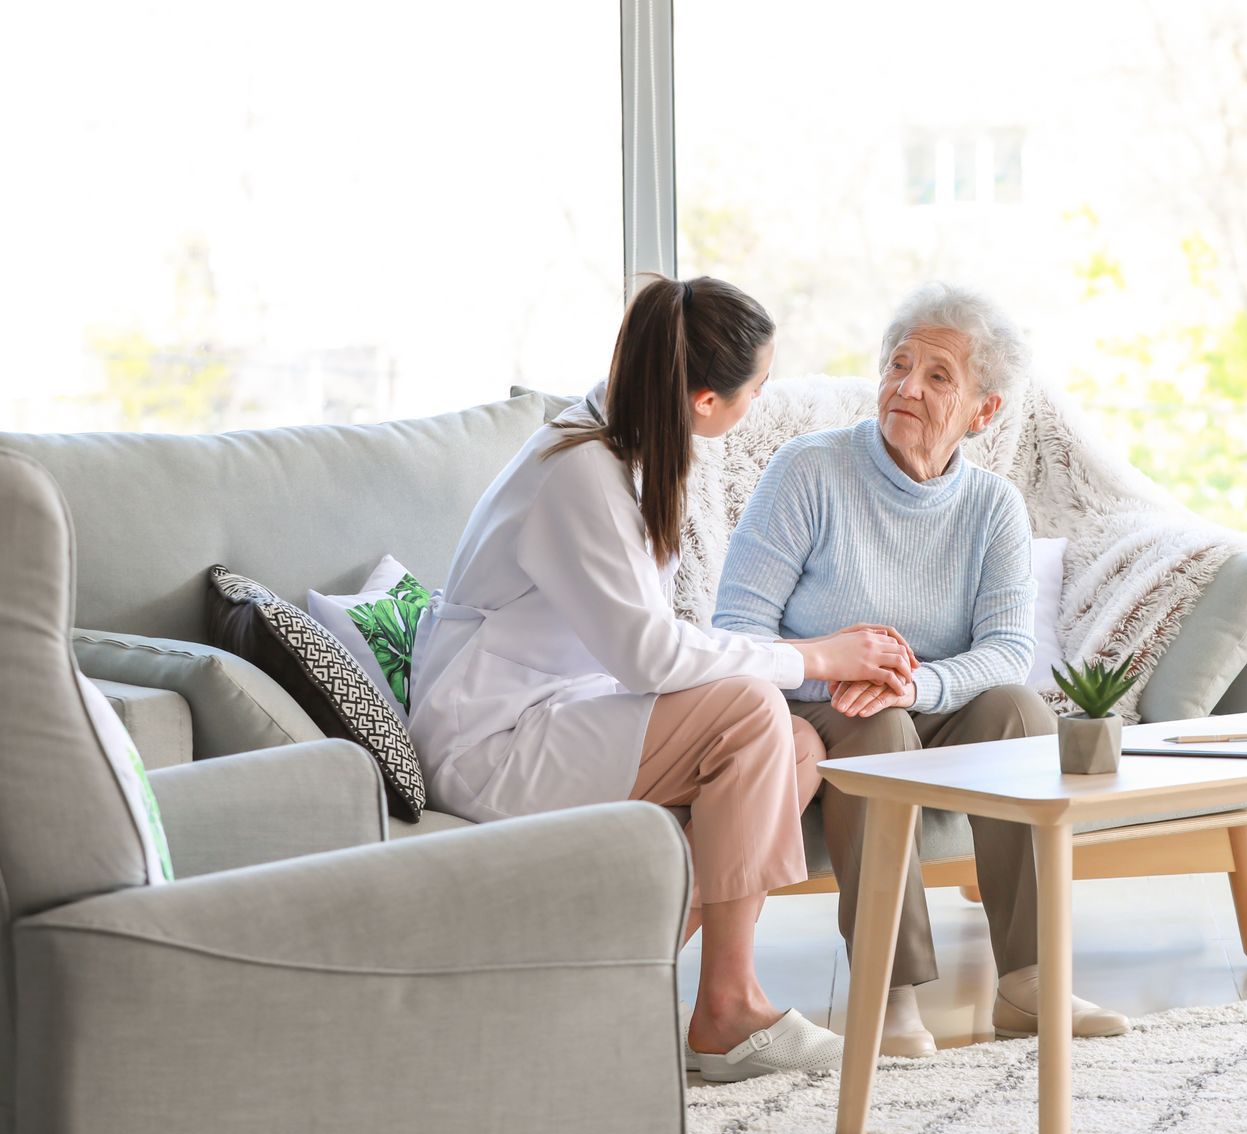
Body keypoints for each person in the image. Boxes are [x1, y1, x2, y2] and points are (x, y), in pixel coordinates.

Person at [409, 275, 915, 1082]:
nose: (760, 401)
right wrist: (814, 655)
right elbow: (649, 656)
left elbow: (650, 647)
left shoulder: (620, 452)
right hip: (492, 745)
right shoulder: (578, 475)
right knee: (756, 713)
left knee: (795, 747)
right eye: (757, 387)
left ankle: (602, 981)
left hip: (557, 715)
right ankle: (728, 1010)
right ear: (707, 402)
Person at [713, 281, 1130, 1058]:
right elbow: (736, 631)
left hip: (925, 700)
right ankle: (890, 991)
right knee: (877, 724)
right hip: (814, 702)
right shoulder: (810, 471)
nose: (906, 386)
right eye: (898, 365)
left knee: (1019, 713)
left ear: (984, 410)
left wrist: (917, 684)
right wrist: (837, 675)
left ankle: (1030, 980)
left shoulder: (994, 507)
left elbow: (1007, 650)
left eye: (938, 376)